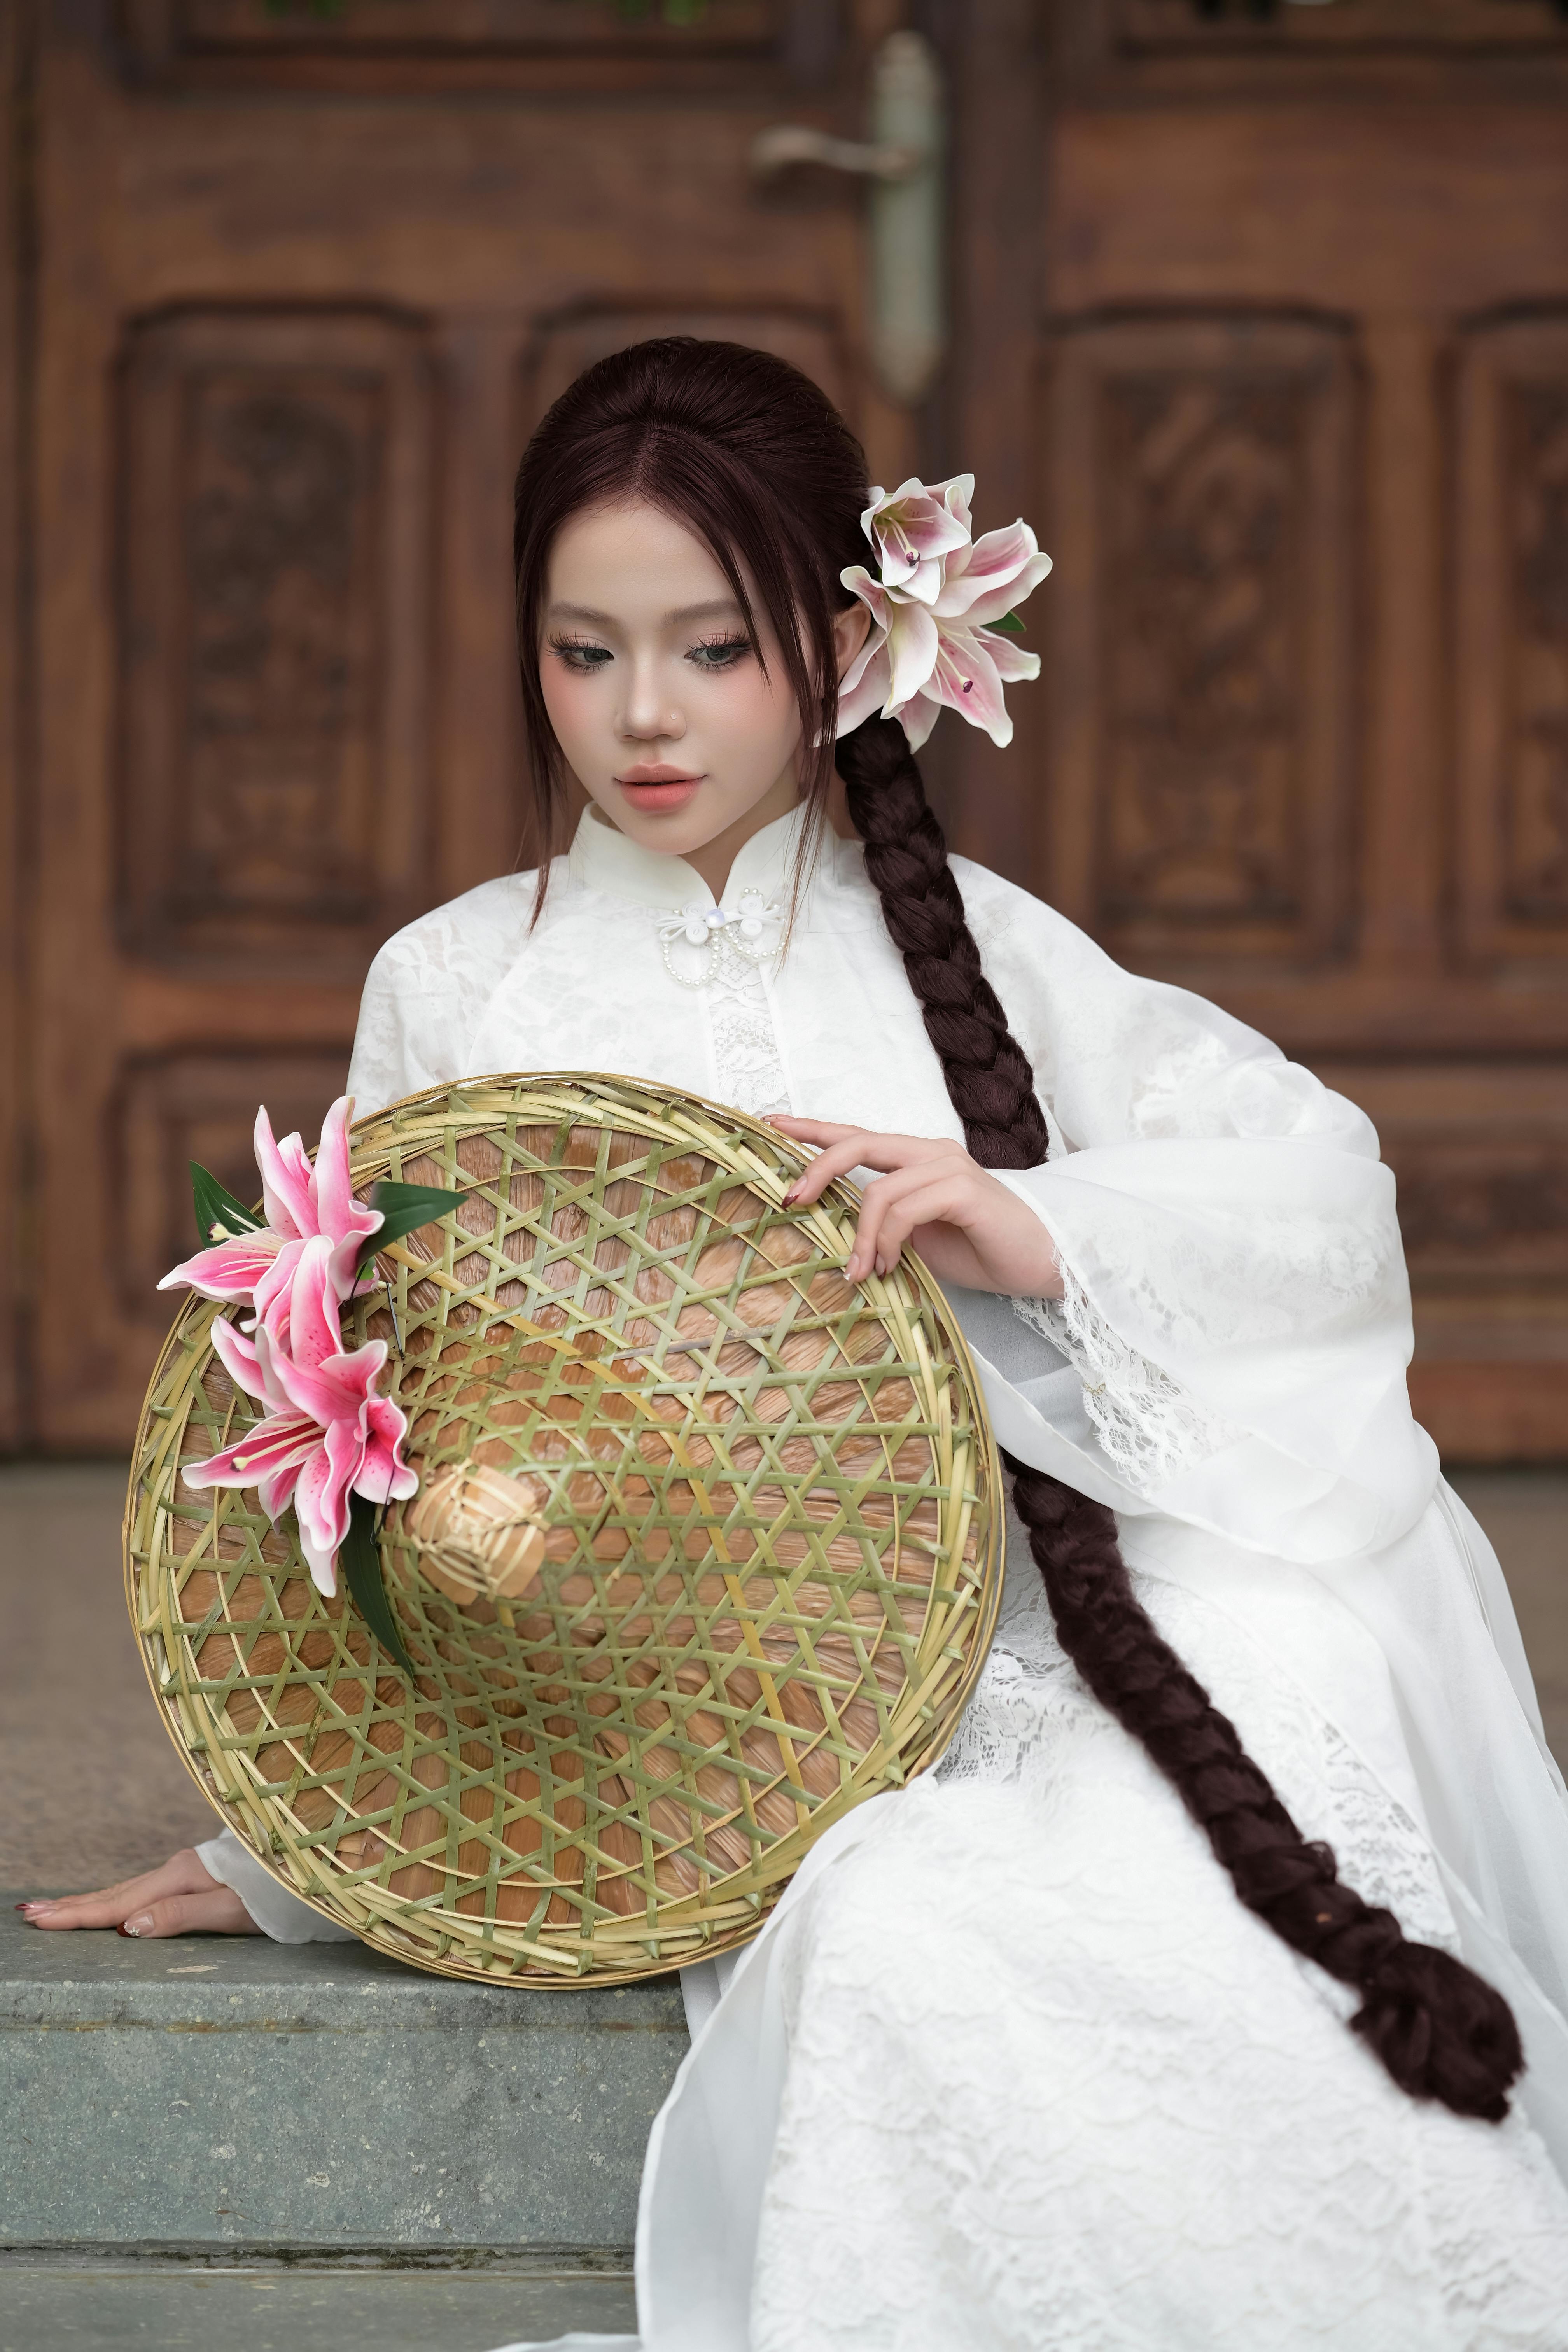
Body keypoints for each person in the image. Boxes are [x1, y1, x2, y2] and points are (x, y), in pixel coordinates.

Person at [26, 339, 1568, 2348]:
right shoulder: (459, 988)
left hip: (1049, 1632)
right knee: (910, 1922)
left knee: (1287, 1681)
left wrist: (1046, 1227)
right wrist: (310, 1845)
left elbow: (1309, 1185)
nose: (643, 716)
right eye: (584, 652)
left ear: (843, 645)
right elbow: (394, 1445)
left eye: (716, 649)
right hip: (722, 1710)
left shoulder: (979, 947)